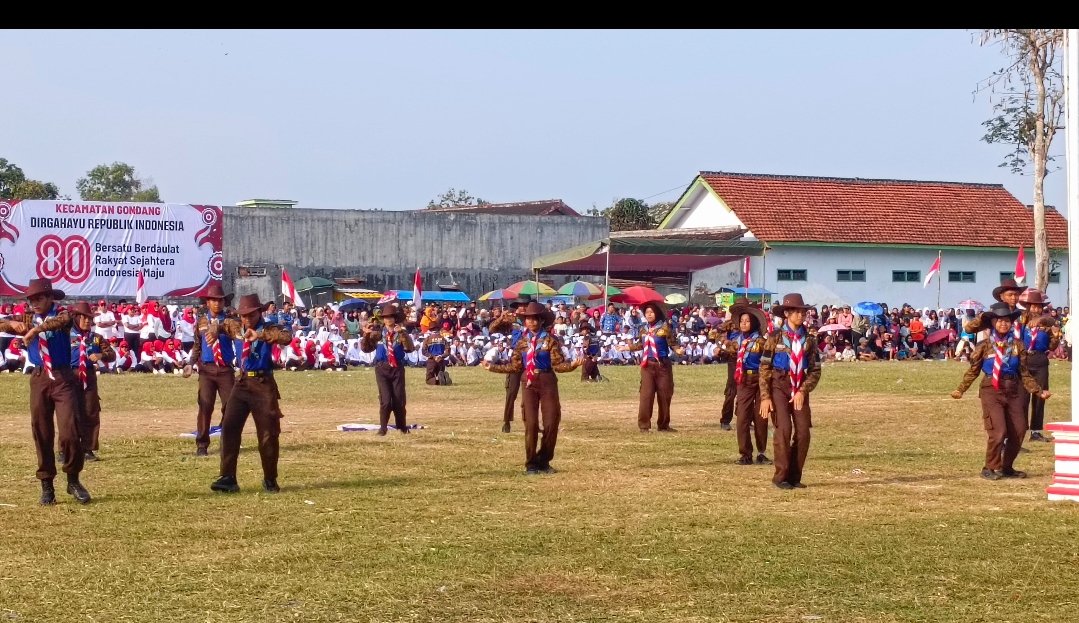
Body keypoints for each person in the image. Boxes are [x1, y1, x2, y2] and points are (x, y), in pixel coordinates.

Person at [0, 278, 92, 505]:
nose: (34, 303)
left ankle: (73, 479)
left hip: (62, 377)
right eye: (31, 300)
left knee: (70, 430)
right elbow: (2, 324)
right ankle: (47, 485)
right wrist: (12, 325)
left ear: (50, 297)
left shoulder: (63, 313)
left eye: (39, 298)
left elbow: (62, 321)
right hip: (40, 377)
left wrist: (35, 330)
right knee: (41, 431)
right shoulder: (28, 317)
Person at [951, 302, 1051, 480]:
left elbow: (1024, 373)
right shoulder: (983, 346)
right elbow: (973, 371)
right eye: (999, 321)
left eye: (1007, 321)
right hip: (991, 389)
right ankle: (989, 467)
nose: (1003, 324)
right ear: (993, 323)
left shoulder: (1018, 345)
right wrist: (960, 389)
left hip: (1013, 389)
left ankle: (1007, 468)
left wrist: (1038, 391)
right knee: (998, 432)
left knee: (1020, 429)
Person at [482, 302, 583, 474]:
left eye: (535, 319)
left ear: (542, 321)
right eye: (528, 319)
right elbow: (514, 367)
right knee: (531, 423)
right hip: (528, 383)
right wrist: (492, 367)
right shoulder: (521, 342)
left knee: (551, 422)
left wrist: (572, 365)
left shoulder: (551, 340)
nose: (531, 322)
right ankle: (530, 463)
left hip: (547, 381)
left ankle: (544, 460)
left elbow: (557, 365)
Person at [210, 294, 293, 494]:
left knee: (267, 434)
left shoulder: (269, 328)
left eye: (250, 315)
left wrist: (261, 336)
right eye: (243, 315)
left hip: (263, 384)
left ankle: (270, 479)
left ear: (259, 312)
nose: (246, 319)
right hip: (242, 381)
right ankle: (228, 477)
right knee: (229, 428)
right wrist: (214, 329)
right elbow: (221, 325)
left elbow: (286, 337)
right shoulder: (236, 326)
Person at [759, 293, 823, 490]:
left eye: (802, 312)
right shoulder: (774, 337)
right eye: (796, 312)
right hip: (779, 384)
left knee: (803, 432)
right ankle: (781, 477)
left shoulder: (809, 340)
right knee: (783, 430)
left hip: (799, 386)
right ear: (786, 314)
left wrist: (803, 390)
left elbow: (815, 369)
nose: (800, 315)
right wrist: (765, 397)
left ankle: (795, 476)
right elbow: (764, 367)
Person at [183, 284, 240, 457]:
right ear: (207, 303)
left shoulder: (230, 321)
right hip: (206, 369)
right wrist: (190, 362)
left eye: (220, 300)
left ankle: (228, 441)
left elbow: (238, 335)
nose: (217, 303)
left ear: (224, 302)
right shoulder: (200, 322)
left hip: (225, 370)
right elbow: (198, 345)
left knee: (230, 407)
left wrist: (219, 328)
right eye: (213, 300)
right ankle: (202, 445)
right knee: (205, 406)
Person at [618, 300, 681, 432]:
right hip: (647, 365)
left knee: (665, 395)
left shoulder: (664, 328)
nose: (649, 314)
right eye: (647, 312)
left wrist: (678, 350)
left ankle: (663, 425)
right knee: (646, 395)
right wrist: (626, 347)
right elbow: (641, 345)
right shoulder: (643, 329)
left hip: (662, 365)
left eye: (652, 312)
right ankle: (644, 425)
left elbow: (672, 343)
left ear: (657, 313)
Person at [722, 302, 771, 466]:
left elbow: (768, 362)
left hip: (760, 381)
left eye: (747, 321)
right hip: (743, 381)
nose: (743, 323)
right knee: (742, 417)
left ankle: (762, 452)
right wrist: (720, 348)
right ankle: (745, 454)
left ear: (754, 323)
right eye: (741, 321)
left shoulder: (762, 342)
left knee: (760, 418)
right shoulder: (737, 341)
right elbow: (725, 346)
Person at [68, 302, 116, 462]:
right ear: (75, 317)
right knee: (68, 413)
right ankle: (65, 449)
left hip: (88, 376)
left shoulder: (96, 338)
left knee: (91, 411)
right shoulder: (66, 335)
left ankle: (88, 448)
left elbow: (112, 354)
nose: (87, 321)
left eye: (89, 318)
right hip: (69, 375)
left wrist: (101, 356)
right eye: (84, 317)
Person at [361, 302, 417, 435]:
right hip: (382, 368)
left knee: (399, 399)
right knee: (385, 400)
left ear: (395, 318)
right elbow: (366, 348)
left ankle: (402, 426)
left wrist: (403, 334)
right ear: (383, 319)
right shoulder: (378, 333)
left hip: (397, 367)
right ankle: (383, 428)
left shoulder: (401, 332)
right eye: (386, 317)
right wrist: (366, 335)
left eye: (391, 317)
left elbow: (410, 348)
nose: (388, 319)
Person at [1016, 289, 1060, 443]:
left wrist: (1055, 336)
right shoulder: (1021, 321)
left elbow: (1053, 346)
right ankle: (1019, 430)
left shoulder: (1047, 324)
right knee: (1022, 397)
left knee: (1040, 396)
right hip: (1024, 361)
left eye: (1039, 307)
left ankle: (1036, 431)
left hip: (1040, 361)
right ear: (1027, 307)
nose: (1036, 309)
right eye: (1033, 307)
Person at [488, 299, 530, 433]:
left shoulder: (534, 320)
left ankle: (529, 423)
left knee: (529, 394)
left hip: (530, 359)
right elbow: (492, 328)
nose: (523, 308)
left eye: (525, 305)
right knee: (511, 392)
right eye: (521, 306)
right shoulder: (511, 320)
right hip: (515, 360)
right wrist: (501, 318)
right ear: (516, 308)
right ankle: (506, 421)